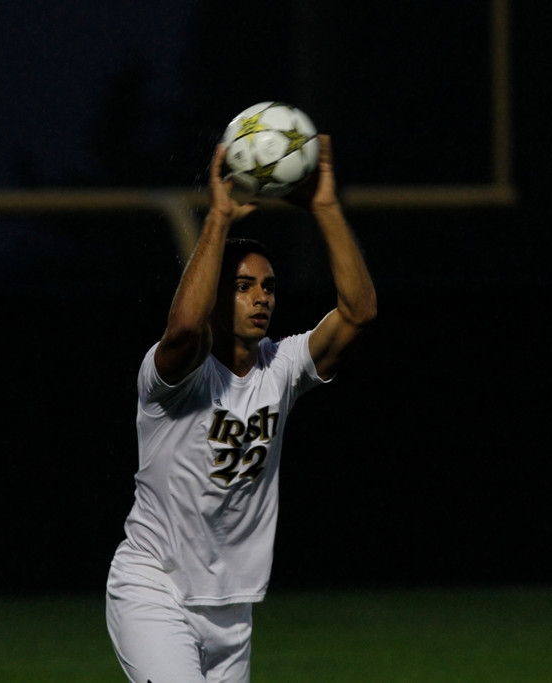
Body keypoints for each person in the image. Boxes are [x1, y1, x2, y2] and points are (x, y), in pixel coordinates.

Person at [106, 134, 377, 683]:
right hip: (154, 588)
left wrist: (324, 208)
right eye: (243, 285)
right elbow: (184, 328)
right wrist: (218, 221)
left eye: (269, 287)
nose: (262, 297)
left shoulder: (282, 366)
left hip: (232, 609)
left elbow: (358, 312)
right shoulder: (175, 380)